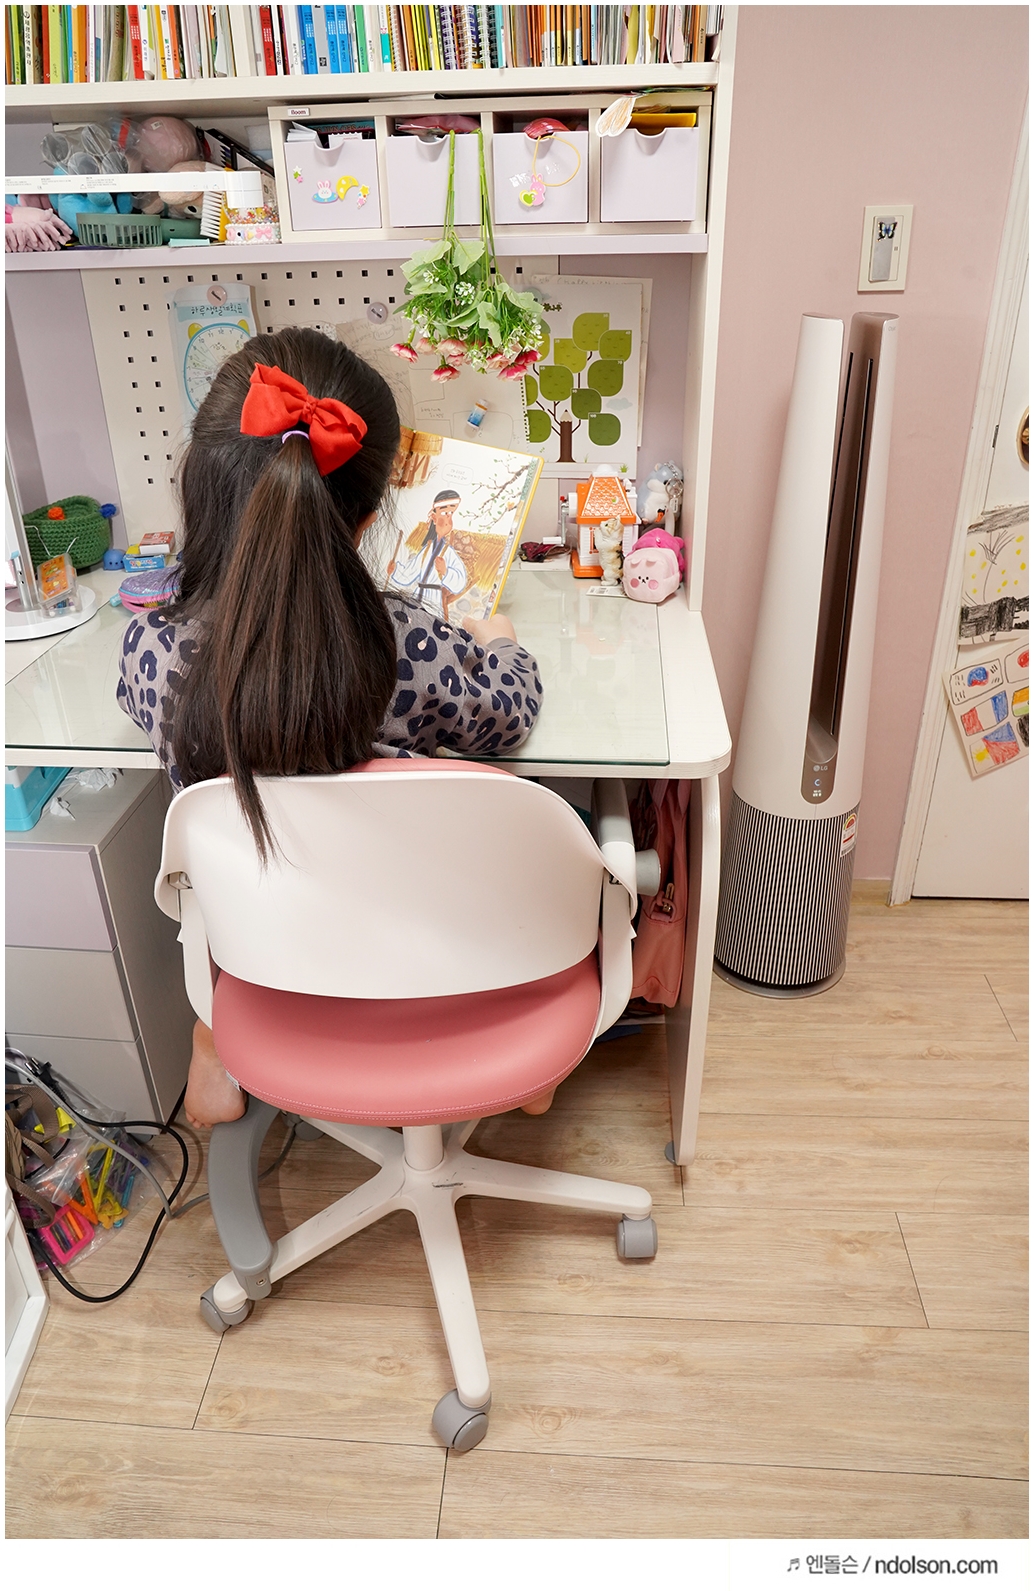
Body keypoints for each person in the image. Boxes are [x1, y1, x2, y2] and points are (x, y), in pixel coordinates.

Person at [117, 328, 551, 1129]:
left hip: (264, 957)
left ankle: (212, 1041)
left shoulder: (151, 645)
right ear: (367, 518)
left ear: (201, 489)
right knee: (564, 837)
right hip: (422, 951)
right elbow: (510, 714)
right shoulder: (400, 644)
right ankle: (523, 1037)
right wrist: (503, 645)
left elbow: (141, 698)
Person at [386, 489, 469, 619]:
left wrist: (445, 571)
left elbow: (460, 581)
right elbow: (411, 571)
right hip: (417, 595)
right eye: (445, 513)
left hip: (433, 600)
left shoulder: (449, 553)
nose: (448, 518)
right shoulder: (427, 549)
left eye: (451, 514)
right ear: (434, 518)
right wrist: (395, 570)